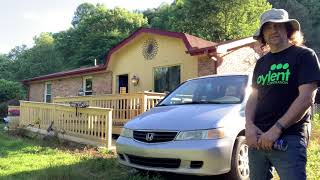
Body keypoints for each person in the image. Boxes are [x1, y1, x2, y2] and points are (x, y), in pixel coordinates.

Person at [245, 8, 320, 180]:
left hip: (288, 138)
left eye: (278, 26)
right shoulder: (261, 63)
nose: (273, 30)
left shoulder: (304, 56)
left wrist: (276, 129)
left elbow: (306, 98)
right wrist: (249, 125)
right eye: (268, 27)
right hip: (257, 138)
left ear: (288, 29)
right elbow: (253, 97)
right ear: (263, 35)